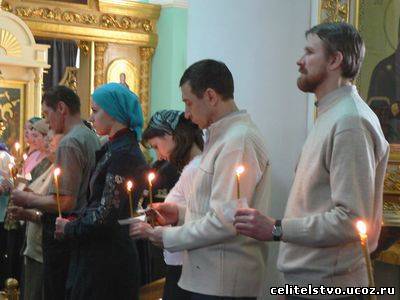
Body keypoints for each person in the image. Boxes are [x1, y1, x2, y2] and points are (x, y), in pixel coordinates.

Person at [234, 22, 390, 300]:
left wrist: (276, 228)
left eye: (309, 52)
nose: (299, 60)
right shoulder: (332, 114)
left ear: (334, 60)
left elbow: (351, 219)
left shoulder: (349, 121)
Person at [130, 59, 271, 299]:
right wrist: (179, 212)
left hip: (223, 280)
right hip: (207, 276)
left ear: (211, 96)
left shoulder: (238, 140)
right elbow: (215, 209)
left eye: (188, 103)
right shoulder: (221, 137)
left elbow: (226, 222)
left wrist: (166, 236)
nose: (186, 113)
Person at [54, 82, 147, 300]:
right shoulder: (114, 147)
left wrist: (69, 228)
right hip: (99, 255)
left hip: (109, 261)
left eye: (96, 111)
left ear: (114, 113)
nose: (91, 116)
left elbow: (105, 215)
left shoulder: (124, 154)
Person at [10, 85, 101, 300]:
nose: (47, 122)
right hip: (79, 232)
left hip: (63, 236)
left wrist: (26, 198)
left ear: (61, 108)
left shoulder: (69, 142)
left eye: (46, 114)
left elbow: (65, 202)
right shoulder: (89, 135)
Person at [131, 109, 203, 300]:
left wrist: (155, 231)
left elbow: (201, 221)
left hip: (186, 267)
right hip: (180, 264)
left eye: (156, 146)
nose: (159, 155)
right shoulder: (191, 168)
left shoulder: (196, 168)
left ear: (170, 135)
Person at [8, 128, 64, 300]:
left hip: (44, 248)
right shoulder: (50, 167)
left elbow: (55, 208)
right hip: (34, 246)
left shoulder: (61, 171)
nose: (47, 141)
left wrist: (28, 209)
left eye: (51, 135)